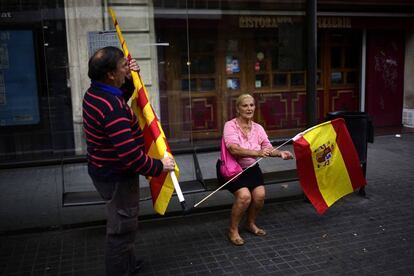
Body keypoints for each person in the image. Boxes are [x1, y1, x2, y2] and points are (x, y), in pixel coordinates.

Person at [82, 46, 175, 275]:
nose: (129, 67)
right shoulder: (112, 107)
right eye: (124, 65)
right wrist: (158, 166)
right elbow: (130, 155)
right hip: (116, 177)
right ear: (111, 75)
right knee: (121, 229)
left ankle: (128, 265)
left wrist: (132, 80)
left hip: (103, 170)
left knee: (125, 223)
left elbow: (121, 95)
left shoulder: (96, 93)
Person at [222, 93, 293, 246]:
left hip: (251, 167)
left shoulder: (258, 128)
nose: (249, 108)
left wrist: (280, 153)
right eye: (245, 105)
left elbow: (267, 148)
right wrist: (257, 153)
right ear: (238, 109)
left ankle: (250, 223)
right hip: (232, 168)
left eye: (252, 105)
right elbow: (234, 149)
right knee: (244, 197)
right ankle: (233, 230)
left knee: (259, 196)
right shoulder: (230, 126)